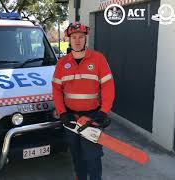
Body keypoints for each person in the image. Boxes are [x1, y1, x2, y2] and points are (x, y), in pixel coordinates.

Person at [52, 22, 115, 180]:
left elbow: (108, 87)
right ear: (69, 39)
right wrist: (62, 112)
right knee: (76, 155)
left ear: (85, 39)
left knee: (93, 157)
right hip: (71, 119)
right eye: (74, 37)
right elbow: (57, 91)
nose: (77, 40)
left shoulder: (98, 59)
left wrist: (103, 111)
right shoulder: (62, 63)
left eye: (81, 37)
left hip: (92, 118)